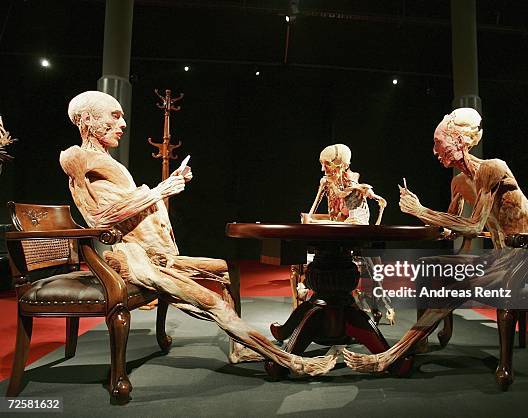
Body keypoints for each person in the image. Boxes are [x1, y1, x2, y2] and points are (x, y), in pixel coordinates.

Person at [60, 91, 337, 385]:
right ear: (88, 119)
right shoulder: (77, 158)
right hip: (136, 259)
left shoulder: (107, 162)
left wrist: (169, 186)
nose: (123, 123)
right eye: (115, 115)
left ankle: (240, 348)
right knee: (211, 302)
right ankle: (292, 362)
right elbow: (100, 218)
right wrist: (161, 190)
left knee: (228, 271)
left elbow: (129, 207)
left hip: (162, 257)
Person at [343, 108, 528, 386]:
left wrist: (422, 210)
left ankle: (394, 354)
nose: (436, 151)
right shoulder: (459, 181)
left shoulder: (493, 168)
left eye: (439, 143)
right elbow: (450, 227)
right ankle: (415, 344)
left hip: (522, 255)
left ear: (459, 140)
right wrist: (422, 218)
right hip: (497, 255)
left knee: (452, 290)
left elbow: (471, 226)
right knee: (427, 264)